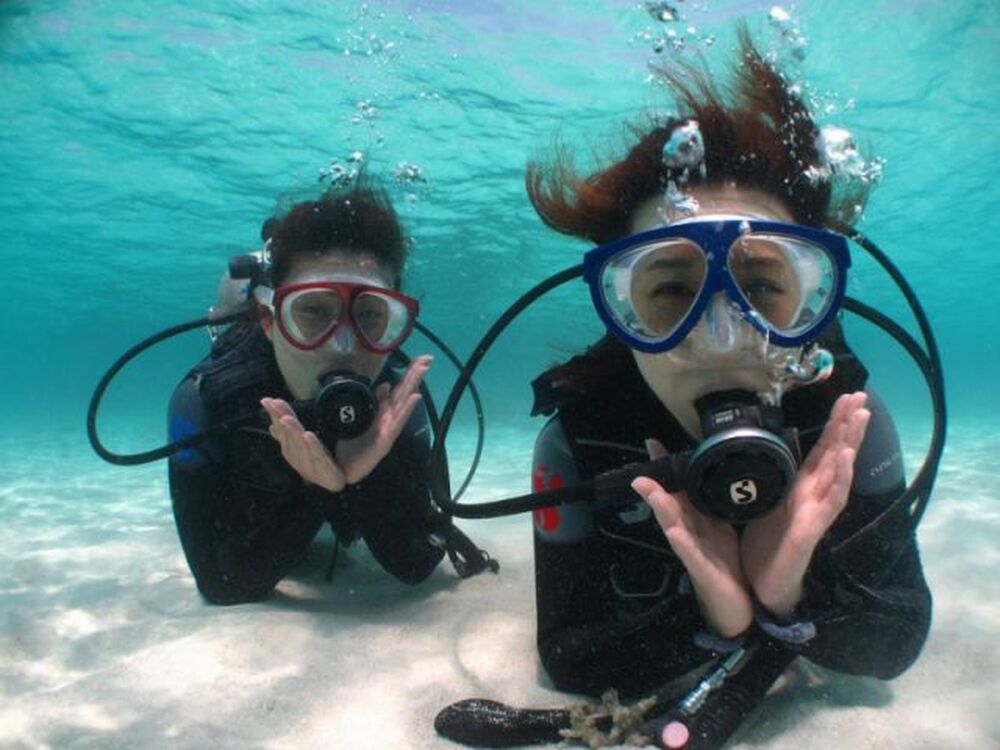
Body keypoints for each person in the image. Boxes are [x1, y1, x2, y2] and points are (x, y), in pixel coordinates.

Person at [525, 31, 932, 701]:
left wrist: (787, 592)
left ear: (812, 301)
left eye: (763, 285)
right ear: (621, 311)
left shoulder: (844, 424)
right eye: (669, 289)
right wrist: (715, 619)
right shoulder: (583, 444)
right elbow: (569, 658)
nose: (721, 338)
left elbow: (897, 640)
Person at [167, 179, 489, 605]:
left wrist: (360, 476)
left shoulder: (396, 401)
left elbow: (415, 564)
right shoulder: (205, 402)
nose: (344, 344)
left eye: (371, 315)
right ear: (269, 320)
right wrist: (316, 486)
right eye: (314, 310)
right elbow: (221, 585)